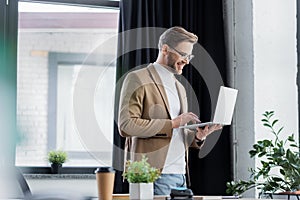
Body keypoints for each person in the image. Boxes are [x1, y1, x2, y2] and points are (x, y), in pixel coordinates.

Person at [118, 26, 222, 195]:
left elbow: (176, 134)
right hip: (153, 174)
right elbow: (126, 125)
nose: (187, 61)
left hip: (180, 174)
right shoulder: (138, 78)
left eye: (189, 56)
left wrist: (198, 136)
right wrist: (172, 123)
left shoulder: (179, 87)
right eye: (183, 55)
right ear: (165, 49)